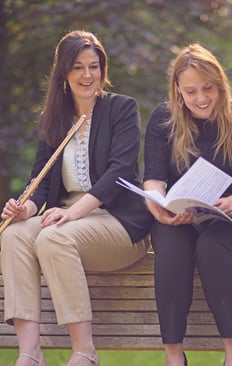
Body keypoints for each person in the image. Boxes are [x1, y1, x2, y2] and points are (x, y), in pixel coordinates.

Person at [0, 30, 153, 366]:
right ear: (63, 74)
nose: (87, 75)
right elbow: (39, 182)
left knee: (54, 237)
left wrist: (74, 213)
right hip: (65, 221)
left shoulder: (121, 108)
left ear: (102, 69)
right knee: (12, 235)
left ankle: (85, 352)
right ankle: (30, 352)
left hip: (119, 224)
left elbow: (120, 171)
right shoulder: (53, 119)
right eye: (78, 67)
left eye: (94, 66)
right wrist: (23, 207)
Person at [143, 43, 232, 366]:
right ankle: (174, 356)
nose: (201, 98)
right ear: (177, 89)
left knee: (214, 242)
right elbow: (153, 178)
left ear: (220, 85)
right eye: (191, 91)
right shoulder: (163, 119)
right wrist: (158, 207)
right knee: (171, 247)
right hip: (181, 217)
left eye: (208, 89)